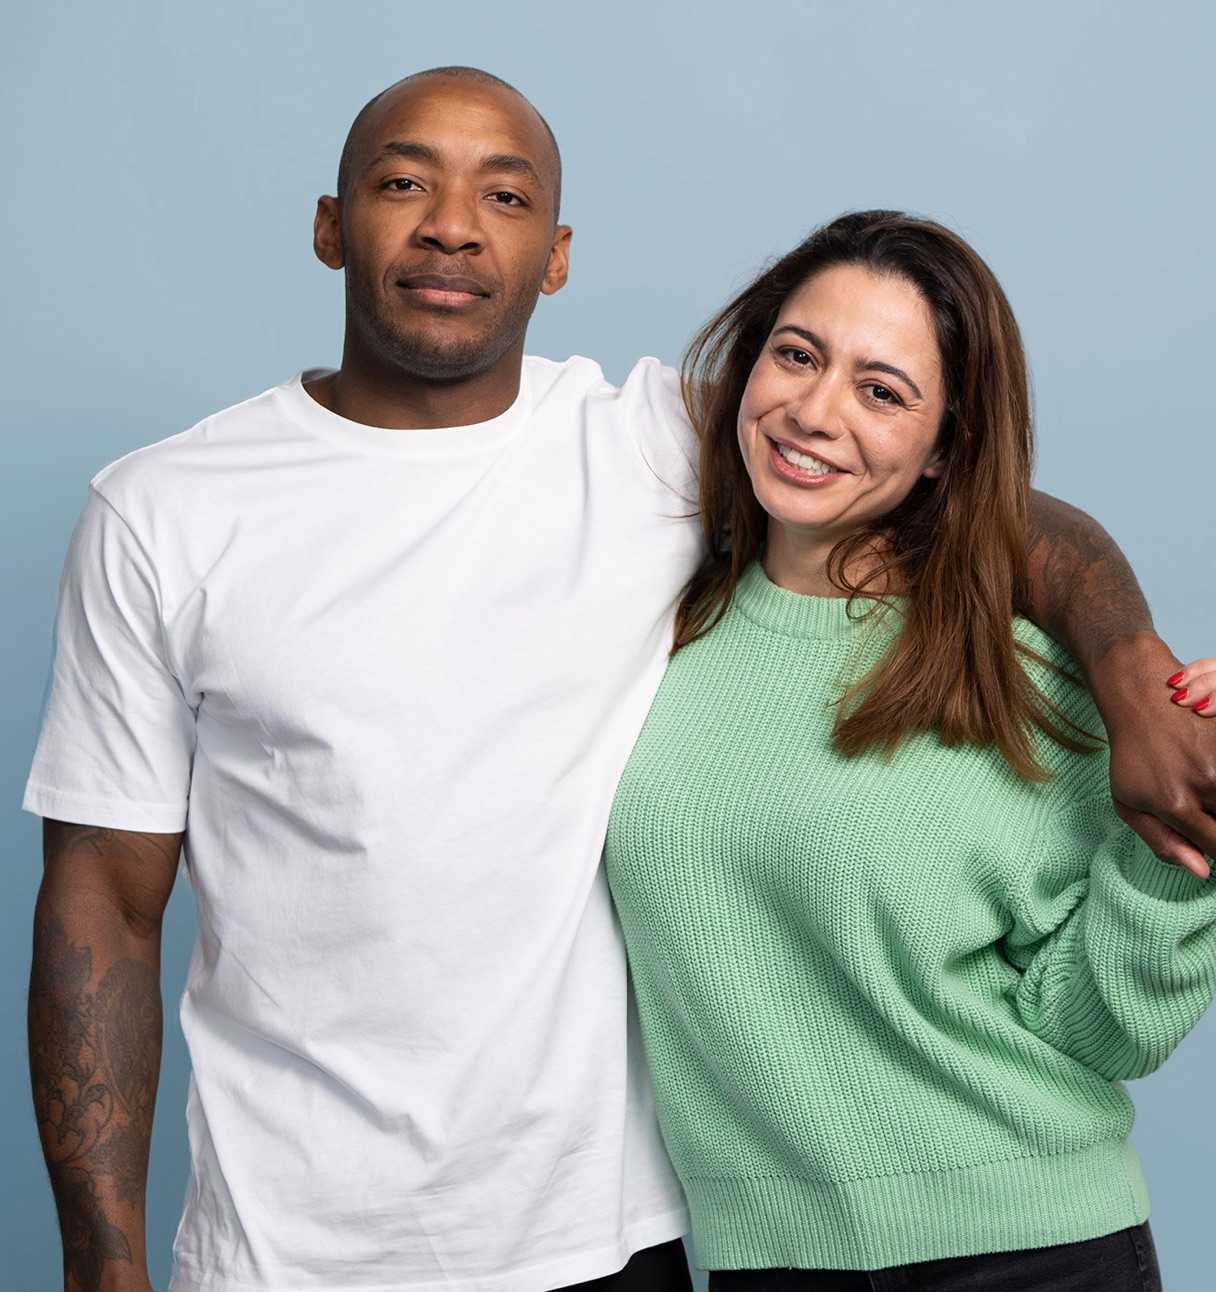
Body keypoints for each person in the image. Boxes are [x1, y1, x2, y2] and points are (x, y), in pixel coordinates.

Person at [21, 69, 1213, 1292]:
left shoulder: (650, 444)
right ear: (330, 226)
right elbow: (104, 903)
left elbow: (994, 513)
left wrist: (1132, 676)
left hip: (609, 1243)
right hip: (287, 1247)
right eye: (401, 182)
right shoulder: (165, 509)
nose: (450, 223)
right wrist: (100, 1259)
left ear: (557, 256)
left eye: (505, 194)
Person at [602, 209, 1216, 1291]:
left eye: (882, 391)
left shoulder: (1011, 666)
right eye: (796, 355)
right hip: (764, 1261)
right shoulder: (650, 617)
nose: (814, 410)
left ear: (944, 449)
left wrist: (1179, 847)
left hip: (1030, 1248)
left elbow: (1100, 1025)